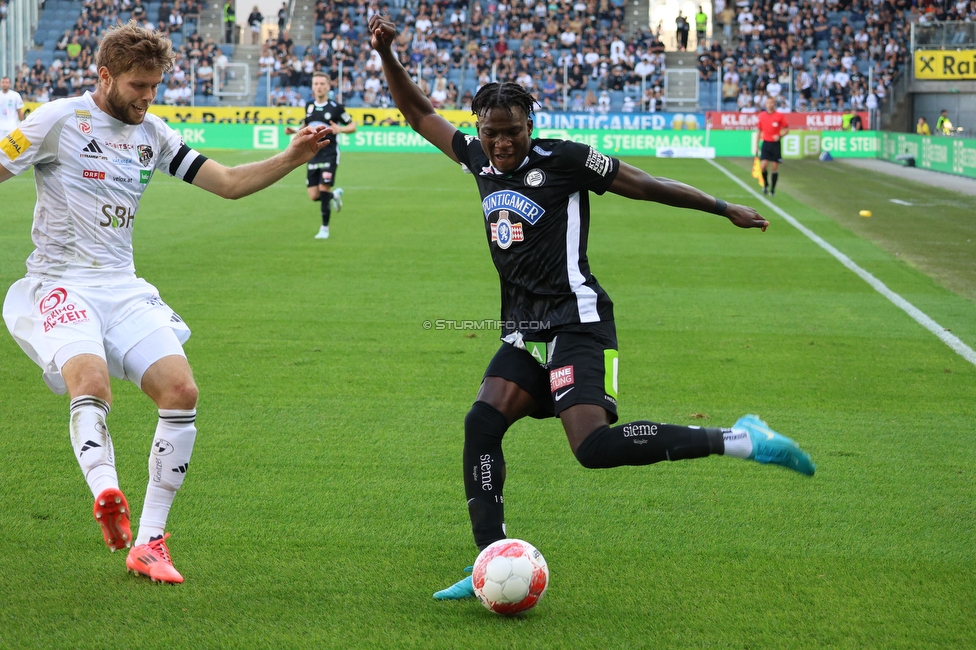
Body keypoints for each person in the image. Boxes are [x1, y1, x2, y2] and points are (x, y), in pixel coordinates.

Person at [367, 14, 815, 602]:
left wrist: (721, 205)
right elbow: (419, 113)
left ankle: (743, 438)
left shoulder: (566, 160)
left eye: (512, 132)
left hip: (576, 322)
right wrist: (387, 56)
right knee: (481, 423)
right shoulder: (477, 158)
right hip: (524, 331)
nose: (501, 144)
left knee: (594, 449)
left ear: (532, 124)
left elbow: (648, 184)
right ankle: (489, 557)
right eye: (491, 132)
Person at [0, 23, 330, 584]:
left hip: (123, 286)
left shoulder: (151, 132)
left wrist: (292, 157)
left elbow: (225, 182)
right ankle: (107, 490)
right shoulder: (57, 120)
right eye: (137, 86)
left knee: (181, 391)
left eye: (154, 86)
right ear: (105, 77)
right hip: (60, 283)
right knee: (91, 381)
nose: (147, 97)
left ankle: (150, 542)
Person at [284, 72, 356, 240]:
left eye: (322, 84)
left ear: (328, 86)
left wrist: (341, 129)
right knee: (314, 195)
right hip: (312, 154)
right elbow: (306, 124)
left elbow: (352, 125)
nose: (319, 87)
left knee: (324, 187)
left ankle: (324, 228)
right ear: (312, 87)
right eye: (316, 84)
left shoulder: (336, 107)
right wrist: (294, 130)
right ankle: (334, 196)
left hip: (329, 153)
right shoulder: (309, 106)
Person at [756, 95, 788, 196]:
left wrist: (779, 135)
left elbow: (786, 130)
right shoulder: (761, 115)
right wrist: (756, 144)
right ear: (765, 104)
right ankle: (765, 184)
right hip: (766, 143)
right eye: (768, 103)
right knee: (763, 166)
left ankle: (773, 189)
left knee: (774, 168)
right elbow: (759, 130)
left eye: (771, 103)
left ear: (774, 104)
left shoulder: (780, 115)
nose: (770, 105)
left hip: (775, 144)